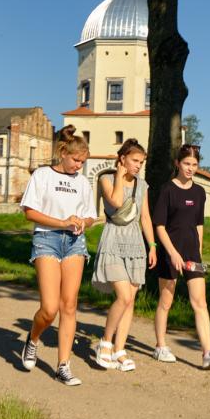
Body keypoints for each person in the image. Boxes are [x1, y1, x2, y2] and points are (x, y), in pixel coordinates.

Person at [19, 125, 97, 386]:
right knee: (50, 309)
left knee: (69, 305)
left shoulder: (82, 182)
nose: (79, 166)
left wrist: (84, 222)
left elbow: (91, 215)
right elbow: (29, 212)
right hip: (47, 240)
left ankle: (63, 365)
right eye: (75, 160)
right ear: (62, 152)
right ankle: (33, 339)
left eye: (83, 162)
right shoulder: (42, 175)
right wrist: (62, 222)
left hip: (75, 242)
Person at [152, 144, 210, 370]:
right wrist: (172, 253)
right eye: (186, 163)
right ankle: (160, 346)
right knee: (166, 301)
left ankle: (207, 353)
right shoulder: (167, 190)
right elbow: (159, 226)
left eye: (194, 165)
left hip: (192, 254)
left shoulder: (199, 192)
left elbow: (199, 224)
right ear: (177, 163)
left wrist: (199, 252)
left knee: (200, 302)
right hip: (170, 252)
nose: (190, 168)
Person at [91, 139, 157, 371]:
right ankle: (105, 343)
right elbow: (117, 203)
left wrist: (152, 246)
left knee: (130, 300)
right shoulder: (106, 179)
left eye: (141, 162)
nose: (138, 165)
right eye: (135, 160)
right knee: (123, 296)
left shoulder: (143, 185)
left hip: (135, 243)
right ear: (122, 159)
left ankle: (120, 350)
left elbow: (145, 217)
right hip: (113, 240)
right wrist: (119, 176)